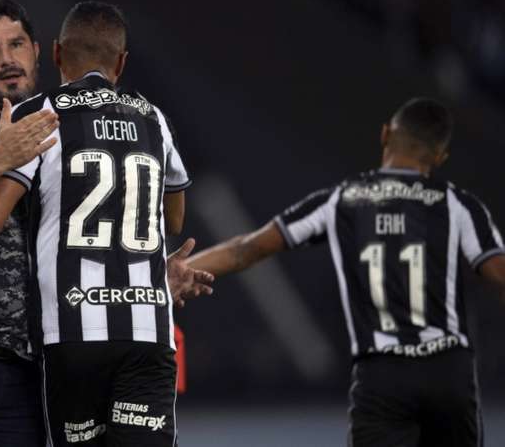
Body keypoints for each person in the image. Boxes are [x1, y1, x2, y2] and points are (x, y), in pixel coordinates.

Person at [0, 0, 211, 447]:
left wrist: (149, 266)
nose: (7, 59)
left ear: (41, 51)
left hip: (26, 367)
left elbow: (112, 221)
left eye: (16, 44)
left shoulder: (54, 120)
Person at [187, 97, 505, 447]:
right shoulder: (458, 204)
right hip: (448, 371)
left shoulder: (341, 201)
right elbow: (499, 274)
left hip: (382, 375)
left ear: (385, 135)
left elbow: (244, 249)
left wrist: (175, 270)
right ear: (440, 157)